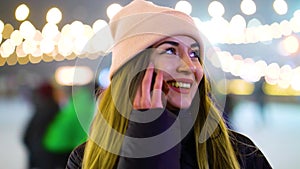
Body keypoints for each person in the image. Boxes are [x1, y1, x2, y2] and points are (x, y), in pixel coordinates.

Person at [66, 1, 272, 169]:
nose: (190, 67)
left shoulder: (241, 153)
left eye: (194, 54)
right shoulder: (85, 159)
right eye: (171, 51)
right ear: (133, 70)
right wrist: (149, 145)